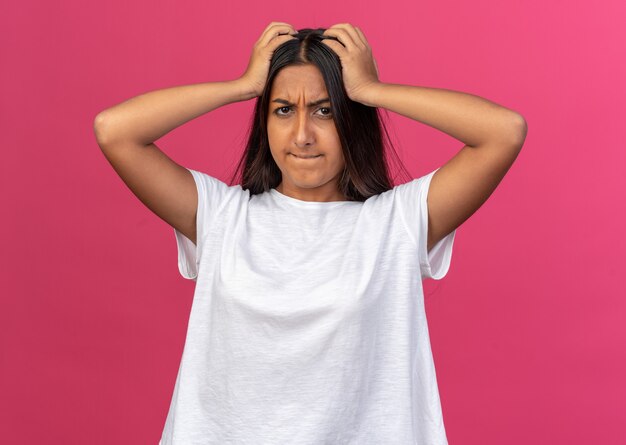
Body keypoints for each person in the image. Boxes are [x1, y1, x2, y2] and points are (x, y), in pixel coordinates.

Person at [94, 22, 527, 445]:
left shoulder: (397, 222)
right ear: (264, 122)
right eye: (284, 110)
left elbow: (503, 132)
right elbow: (116, 130)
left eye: (324, 110)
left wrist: (370, 91)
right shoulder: (221, 216)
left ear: (351, 120)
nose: (302, 135)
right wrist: (243, 86)